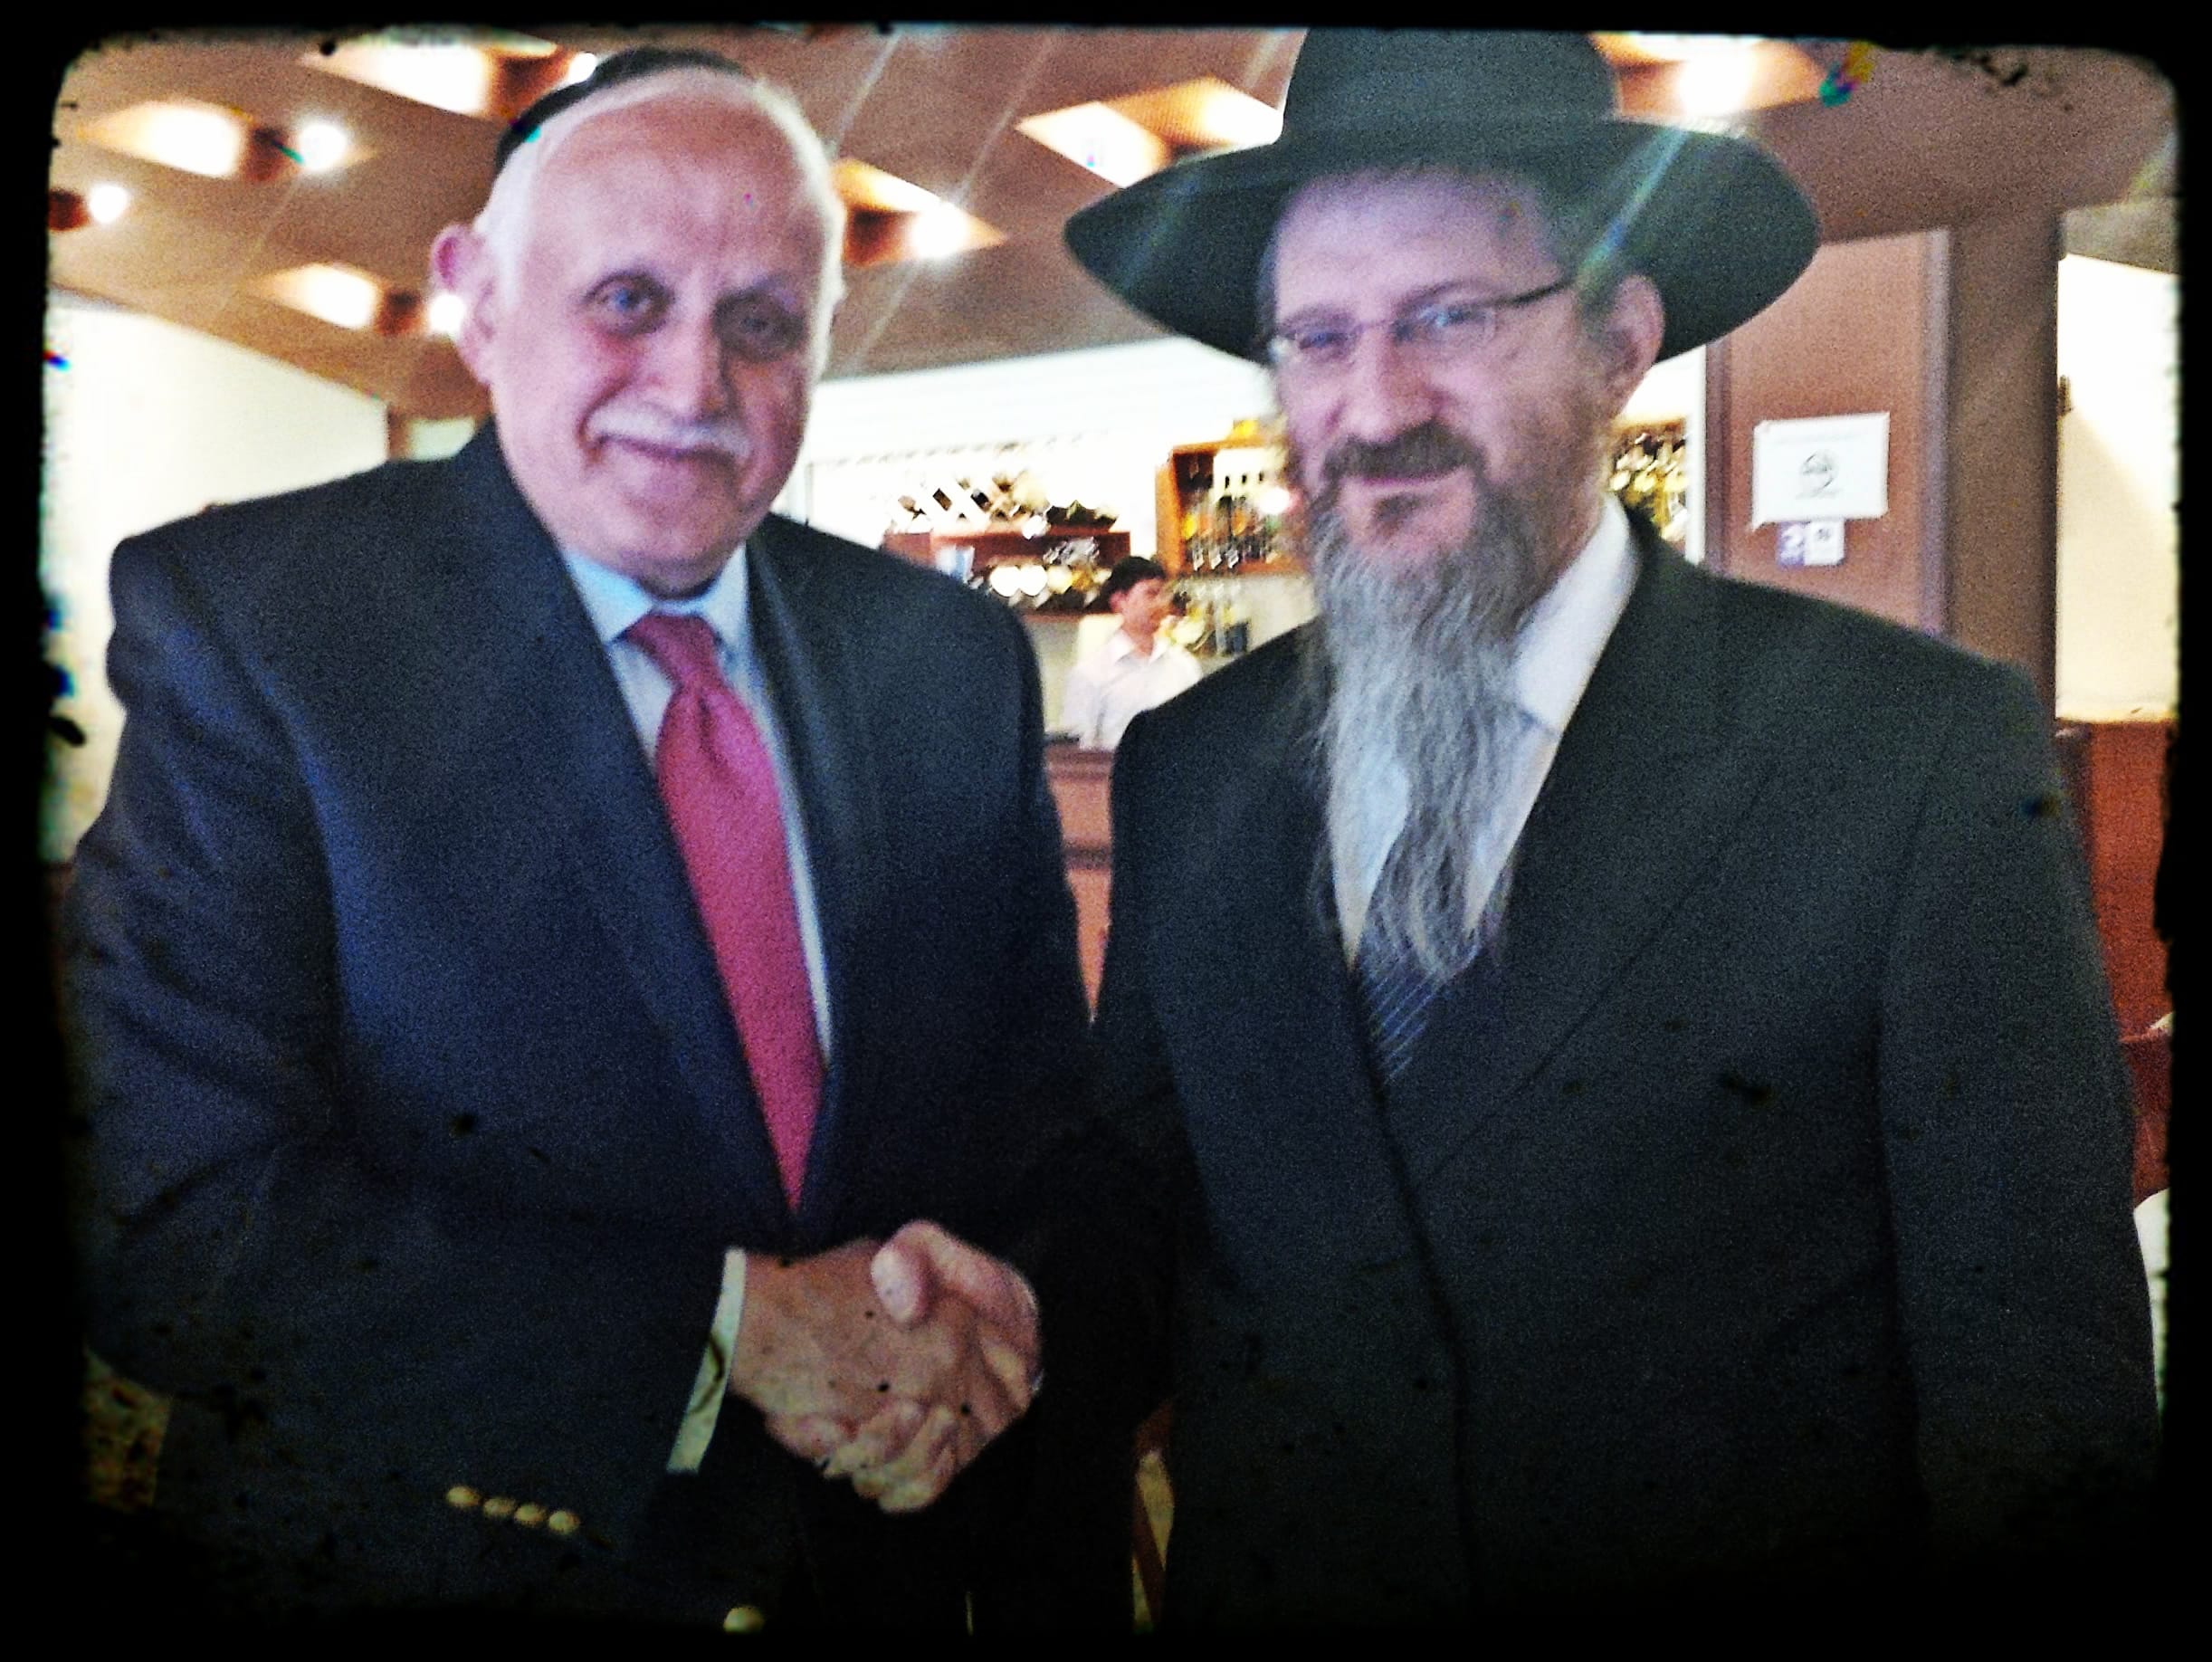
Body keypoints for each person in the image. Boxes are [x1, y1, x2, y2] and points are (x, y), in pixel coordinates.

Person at [1034, 28, 2162, 1626]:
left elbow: (2033, 1390)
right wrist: (954, 1338)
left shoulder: (1912, 759)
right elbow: (1143, 1221)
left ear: (1617, 338)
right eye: (1315, 338)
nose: (1372, 404)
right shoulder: (1191, 766)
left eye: (1446, 318)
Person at [62, 47, 1123, 1630]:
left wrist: (996, 1318)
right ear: (477, 302)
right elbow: (170, 1215)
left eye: (761, 322)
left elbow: (1040, 1132)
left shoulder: (941, 660)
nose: (694, 388)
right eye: (626, 301)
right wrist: (722, 1332)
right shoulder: (262, 635)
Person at [1060, 556, 1202, 750]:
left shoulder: (1184, 665)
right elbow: (1077, 754)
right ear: (1120, 601)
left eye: (1163, 594)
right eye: (1150, 595)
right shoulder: (1091, 674)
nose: (1161, 604)